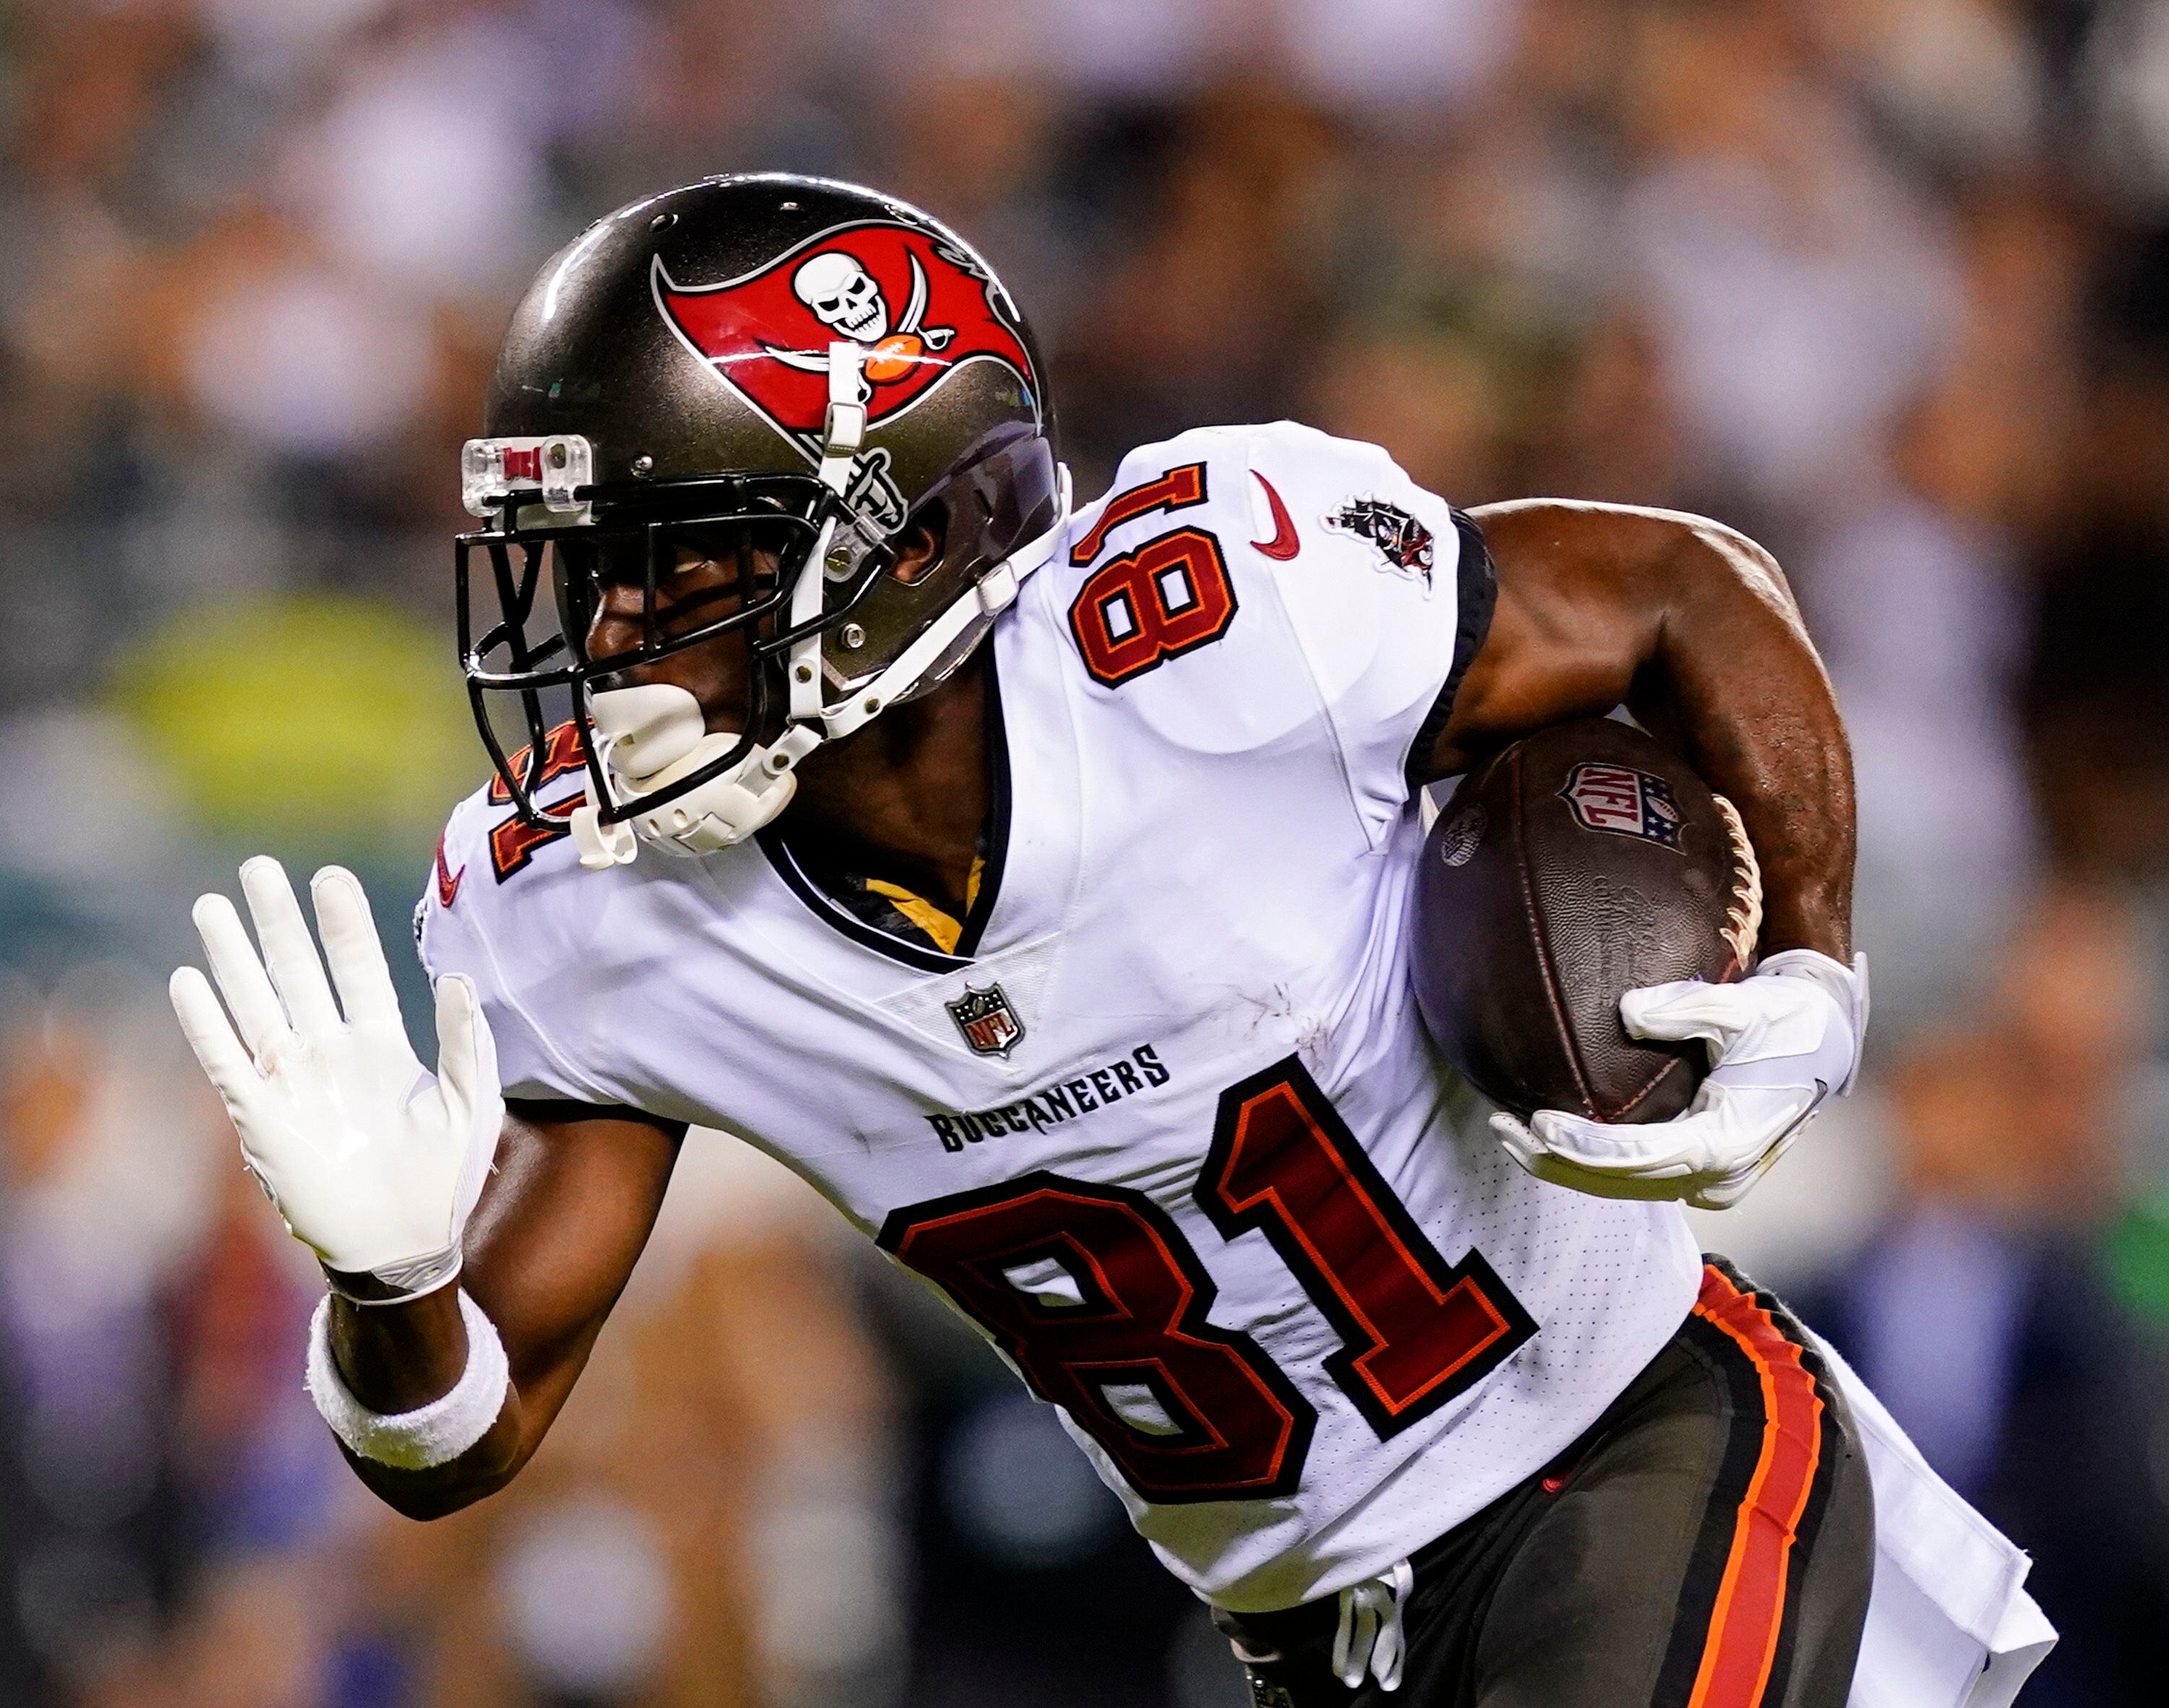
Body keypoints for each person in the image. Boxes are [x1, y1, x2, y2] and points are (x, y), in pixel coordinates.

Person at [167, 176, 2043, 1706]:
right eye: (595, 574)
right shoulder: (602, 910)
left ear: (907, 536)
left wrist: (1810, 953)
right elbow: (459, 1435)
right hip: (1310, 1629)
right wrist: (392, 1280)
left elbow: (1675, 592)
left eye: (689, 570)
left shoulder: (1218, 624)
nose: (613, 645)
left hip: (1631, 1439)